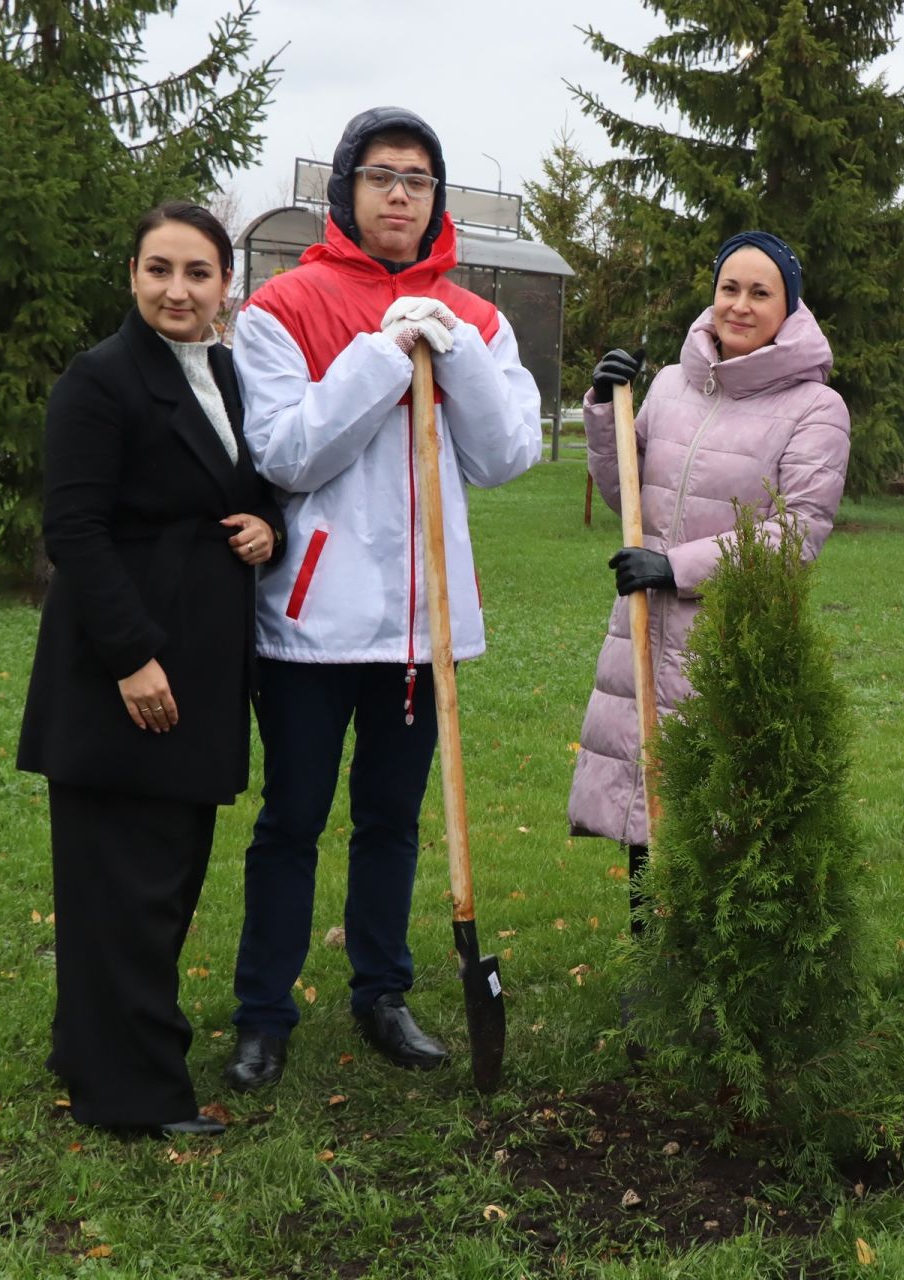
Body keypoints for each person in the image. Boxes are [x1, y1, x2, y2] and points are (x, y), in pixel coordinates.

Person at [221, 107, 543, 1092]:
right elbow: (286, 451)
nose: (401, 193)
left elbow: (506, 455)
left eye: (418, 178)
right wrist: (378, 350)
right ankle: (264, 1011)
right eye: (381, 175)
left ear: (437, 199)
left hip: (419, 624)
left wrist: (455, 354)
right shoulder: (284, 306)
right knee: (293, 818)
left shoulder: (478, 318)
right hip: (312, 623)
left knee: (393, 820)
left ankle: (382, 992)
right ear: (346, 191)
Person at [18, 201, 284, 1136]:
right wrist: (132, 657)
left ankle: (91, 1049)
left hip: (203, 663)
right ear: (131, 274)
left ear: (225, 288)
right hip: (123, 673)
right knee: (123, 887)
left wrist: (267, 524)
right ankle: (131, 1098)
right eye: (160, 269)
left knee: (161, 879)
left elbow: (241, 485)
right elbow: (76, 532)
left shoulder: (222, 371)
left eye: (198, 273)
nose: (178, 289)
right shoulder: (99, 382)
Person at [567, 231, 850, 948]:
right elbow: (625, 491)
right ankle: (650, 974)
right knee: (644, 805)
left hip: (729, 638)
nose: (741, 305)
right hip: (644, 626)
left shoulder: (816, 408)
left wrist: (678, 567)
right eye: (730, 288)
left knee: (718, 810)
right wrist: (605, 409)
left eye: (761, 293)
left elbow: (799, 535)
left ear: (789, 309)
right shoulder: (668, 385)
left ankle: (715, 973)